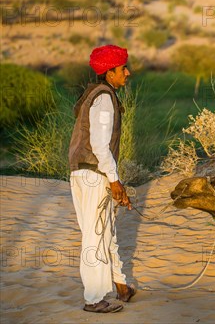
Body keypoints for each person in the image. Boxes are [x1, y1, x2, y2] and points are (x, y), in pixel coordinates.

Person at [68, 44, 136, 313]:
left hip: (87, 173)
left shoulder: (96, 94)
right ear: (109, 73)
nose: (127, 73)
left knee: (105, 229)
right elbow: (99, 144)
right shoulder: (105, 98)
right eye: (123, 69)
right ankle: (94, 299)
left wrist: (114, 182)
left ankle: (120, 285)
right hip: (94, 174)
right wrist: (114, 180)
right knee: (96, 236)